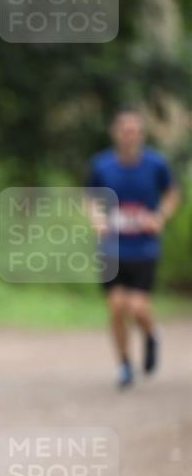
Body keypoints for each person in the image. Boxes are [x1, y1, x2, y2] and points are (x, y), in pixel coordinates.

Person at [87, 106, 179, 389]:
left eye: (134, 131)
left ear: (141, 134)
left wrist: (159, 217)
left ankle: (151, 334)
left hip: (143, 247)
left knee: (138, 307)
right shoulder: (101, 165)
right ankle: (125, 365)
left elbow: (172, 193)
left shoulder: (156, 164)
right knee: (116, 307)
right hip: (112, 248)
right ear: (115, 132)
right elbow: (90, 198)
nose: (129, 135)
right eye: (124, 130)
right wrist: (97, 218)